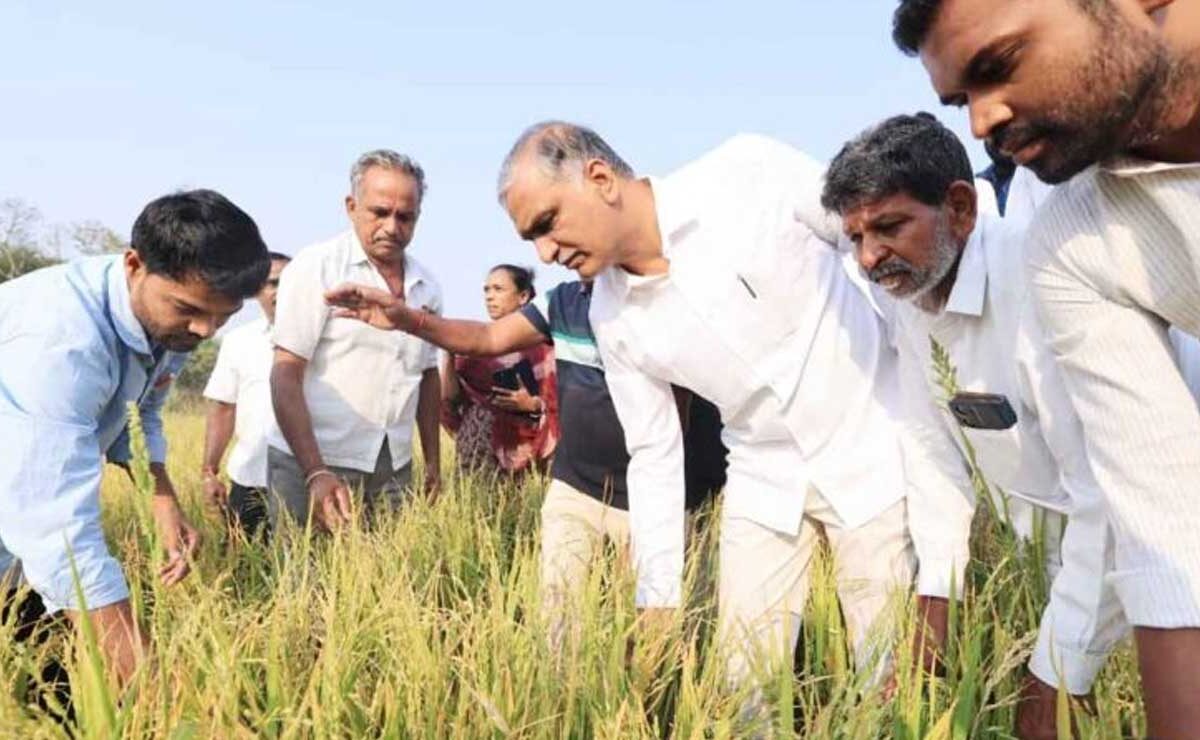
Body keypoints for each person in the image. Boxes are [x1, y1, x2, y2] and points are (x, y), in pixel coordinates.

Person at [491, 121, 913, 710]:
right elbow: (655, 452)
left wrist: (924, 398)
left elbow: (873, 251)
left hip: (870, 450)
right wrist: (658, 598)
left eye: (547, 223)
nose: (544, 253)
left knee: (890, 676)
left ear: (598, 178)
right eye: (530, 238)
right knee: (744, 686)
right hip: (761, 476)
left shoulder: (746, 172)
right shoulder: (612, 317)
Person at [892, 0, 1200, 736]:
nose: (980, 122)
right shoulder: (1071, 241)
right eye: (961, 99)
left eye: (997, 67)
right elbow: (1165, 536)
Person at [822, 113, 1130, 739]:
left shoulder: (1044, 278)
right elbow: (933, 456)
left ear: (959, 208)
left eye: (888, 227)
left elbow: (1109, 495)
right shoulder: (907, 293)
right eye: (854, 237)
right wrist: (936, 604)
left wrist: (1058, 674)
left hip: (1143, 553)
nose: (869, 257)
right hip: (1047, 559)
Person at [324, 276, 726, 646]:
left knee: (655, 638)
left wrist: (655, 515)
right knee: (560, 620)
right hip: (576, 490)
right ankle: (562, 707)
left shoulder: (675, 303)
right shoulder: (564, 302)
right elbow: (486, 337)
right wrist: (408, 319)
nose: (551, 250)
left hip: (653, 499)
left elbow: (685, 419)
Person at [0, 189, 269, 685]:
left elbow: (140, 412)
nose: (206, 330)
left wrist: (162, 498)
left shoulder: (172, 324)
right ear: (134, 264)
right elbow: (58, 530)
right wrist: (158, 691)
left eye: (224, 317)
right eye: (189, 308)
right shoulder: (61, 344)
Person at [268, 150, 443, 531]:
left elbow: (427, 377)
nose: (392, 227)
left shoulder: (426, 286)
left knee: (390, 579)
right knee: (306, 583)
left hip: (394, 465)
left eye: (405, 216)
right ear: (351, 206)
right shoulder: (317, 267)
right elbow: (285, 373)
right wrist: (314, 472)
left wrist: (432, 464)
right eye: (380, 212)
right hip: (316, 460)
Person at [201, 252, 292, 537]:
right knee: (247, 568)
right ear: (256, 291)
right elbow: (223, 408)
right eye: (273, 283)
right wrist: (209, 472)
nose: (281, 291)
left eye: (290, 282)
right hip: (251, 478)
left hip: (311, 481)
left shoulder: (329, 340)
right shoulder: (239, 342)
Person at [441, 264, 559, 476]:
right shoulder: (474, 346)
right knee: (481, 508)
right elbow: (450, 399)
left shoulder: (547, 350)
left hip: (532, 451)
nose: (489, 296)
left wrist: (532, 404)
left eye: (498, 289)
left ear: (523, 296)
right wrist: (448, 355)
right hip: (479, 448)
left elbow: (564, 402)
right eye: (486, 290)